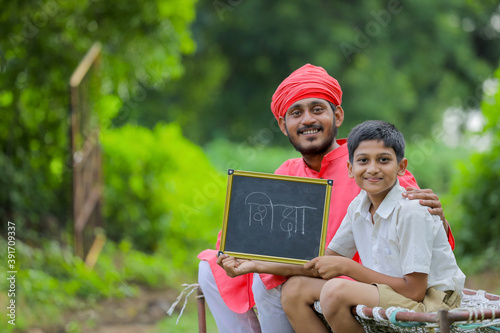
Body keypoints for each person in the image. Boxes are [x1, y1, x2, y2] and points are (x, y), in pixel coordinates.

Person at [198, 64, 454, 333]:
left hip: (369, 282)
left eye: (317, 109)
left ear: (338, 115)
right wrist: (242, 257)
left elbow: (424, 232)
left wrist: (440, 218)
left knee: (269, 281)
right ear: (283, 125)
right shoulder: (288, 172)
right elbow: (262, 239)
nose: (308, 120)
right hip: (312, 272)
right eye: (296, 113)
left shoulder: (370, 168)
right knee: (210, 268)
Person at [281, 120, 465, 333]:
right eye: (363, 160)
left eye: (384, 160)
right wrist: (256, 265)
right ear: (351, 168)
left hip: (431, 302)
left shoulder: (412, 210)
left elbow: (414, 290)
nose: (373, 169)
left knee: (335, 290)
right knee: (294, 289)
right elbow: (322, 260)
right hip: (392, 292)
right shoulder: (359, 206)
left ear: (401, 167)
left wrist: (348, 268)